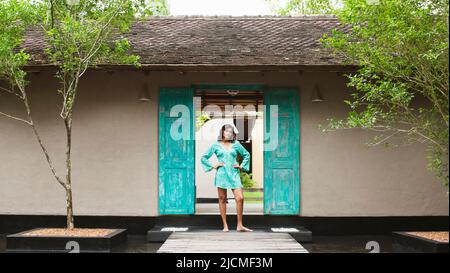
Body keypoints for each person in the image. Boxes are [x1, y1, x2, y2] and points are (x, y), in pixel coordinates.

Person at [200, 124, 253, 232]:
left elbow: (246, 154)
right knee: (222, 199)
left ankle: (239, 225)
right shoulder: (216, 145)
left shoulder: (236, 144)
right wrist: (213, 166)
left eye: (231, 132)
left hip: (234, 173)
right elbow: (204, 157)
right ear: (222, 132)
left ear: (233, 134)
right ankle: (225, 225)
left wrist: (241, 166)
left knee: (240, 198)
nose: (228, 133)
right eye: (226, 131)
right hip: (222, 174)